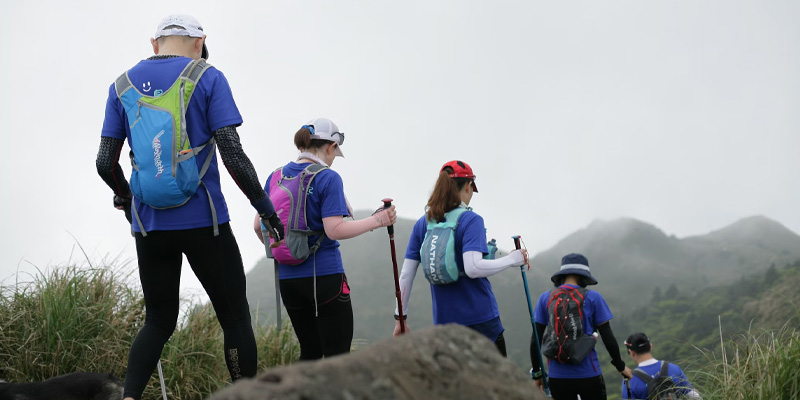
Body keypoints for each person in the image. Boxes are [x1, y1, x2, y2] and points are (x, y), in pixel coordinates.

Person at [97, 14, 283, 400]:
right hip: (206, 222)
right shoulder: (208, 76)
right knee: (234, 318)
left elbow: (104, 161)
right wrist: (265, 208)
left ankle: (129, 397)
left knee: (158, 321)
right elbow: (232, 154)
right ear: (199, 42)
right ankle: (244, 395)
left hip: (149, 225)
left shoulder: (121, 86)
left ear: (155, 44)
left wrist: (126, 197)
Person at [253, 118, 397, 360]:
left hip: (288, 280)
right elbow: (335, 229)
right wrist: (379, 220)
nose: (333, 159)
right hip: (325, 277)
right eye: (334, 153)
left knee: (309, 352)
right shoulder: (327, 178)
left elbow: (258, 226)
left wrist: (287, 248)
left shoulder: (275, 176)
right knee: (337, 357)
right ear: (330, 147)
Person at [391, 160, 528, 356]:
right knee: (495, 383)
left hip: (445, 323)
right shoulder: (471, 220)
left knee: (458, 385)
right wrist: (513, 259)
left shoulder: (424, 223)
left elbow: (405, 274)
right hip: (482, 320)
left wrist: (400, 319)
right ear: (468, 186)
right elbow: (473, 268)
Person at [530, 253, 632, 400]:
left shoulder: (545, 298)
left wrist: (537, 373)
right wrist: (620, 366)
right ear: (583, 276)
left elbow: (536, 339)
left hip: (557, 377)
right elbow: (608, 337)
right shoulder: (593, 298)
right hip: (589, 375)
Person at [622, 333, 701, 399]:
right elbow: (695, 397)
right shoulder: (674, 368)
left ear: (631, 352)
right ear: (651, 346)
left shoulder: (630, 380)